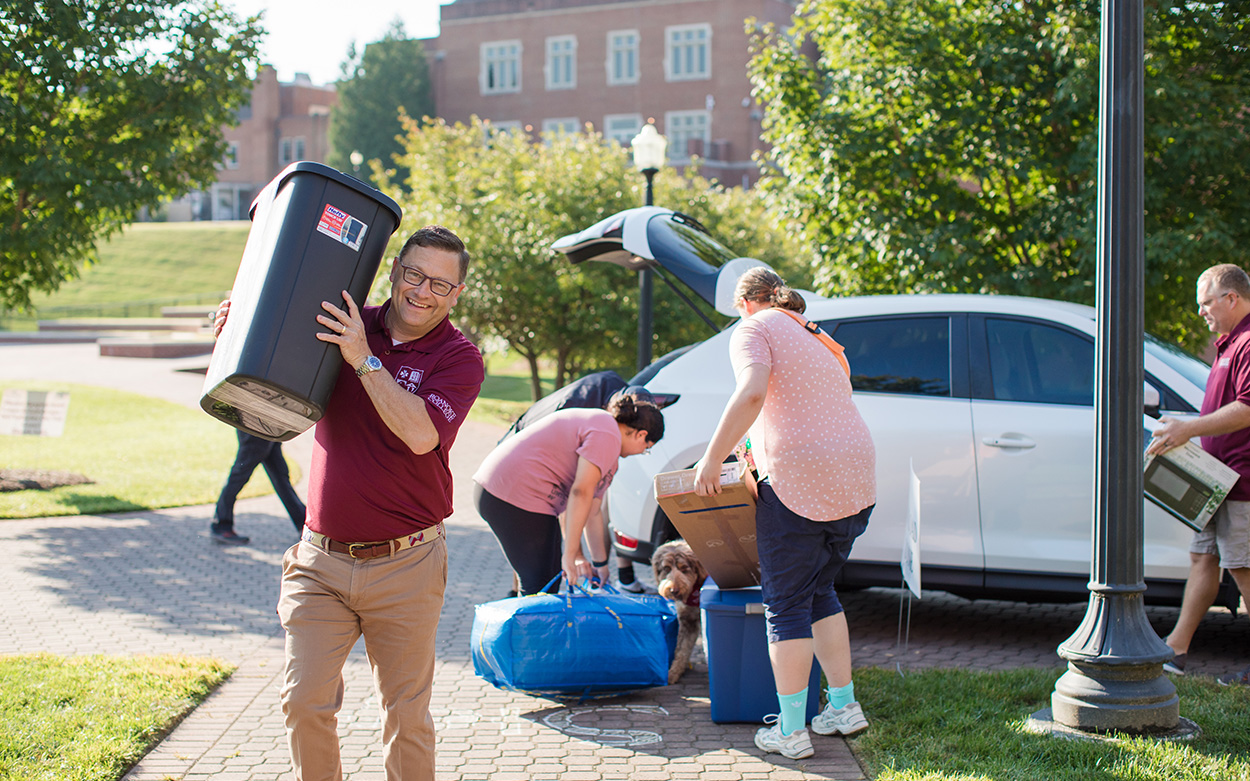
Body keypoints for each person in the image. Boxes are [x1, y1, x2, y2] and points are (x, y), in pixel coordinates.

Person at [212, 224, 483, 781]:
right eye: (413, 274)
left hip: (406, 564)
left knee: (406, 717)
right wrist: (237, 333)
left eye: (439, 283)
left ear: (457, 294)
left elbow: (420, 433)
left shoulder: (460, 358)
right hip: (321, 563)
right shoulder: (345, 320)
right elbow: (273, 387)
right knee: (303, 703)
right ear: (394, 271)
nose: (422, 291)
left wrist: (362, 360)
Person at [692, 267, 876, 759]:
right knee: (820, 593)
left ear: (746, 303)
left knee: (787, 605)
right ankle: (843, 706)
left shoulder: (754, 328)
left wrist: (712, 457)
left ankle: (791, 732)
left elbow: (752, 392)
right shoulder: (818, 337)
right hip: (857, 481)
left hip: (799, 484)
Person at [1147, 263, 1250, 687]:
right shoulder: (1228, 344)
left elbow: (1247, 406)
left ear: (1232, 298)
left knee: (1244, 569)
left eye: (1206, 303)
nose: (1201, 312)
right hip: (1215, 482)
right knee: (1202, 558)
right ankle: (1176, 650)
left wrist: (1187, 429)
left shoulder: (1247, 342)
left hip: (1241, 482)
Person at [472, 394, 664, 594]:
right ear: (641, 435)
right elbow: (581, 492)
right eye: (646, 449)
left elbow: (592, 511)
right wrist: (571, 556)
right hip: (510, 493)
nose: (641, 453)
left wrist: (601, 565)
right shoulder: (607, 432)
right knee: (539, 585)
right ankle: (527, 624)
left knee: (549, 579)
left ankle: (535, 623)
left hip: (524, 497)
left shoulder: (609, 448)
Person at [210, 430, 306, 545]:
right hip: (256, 429)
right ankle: (221, 525)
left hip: (269, 429)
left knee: (280, 476)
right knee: (239, 476)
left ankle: (303, 522)